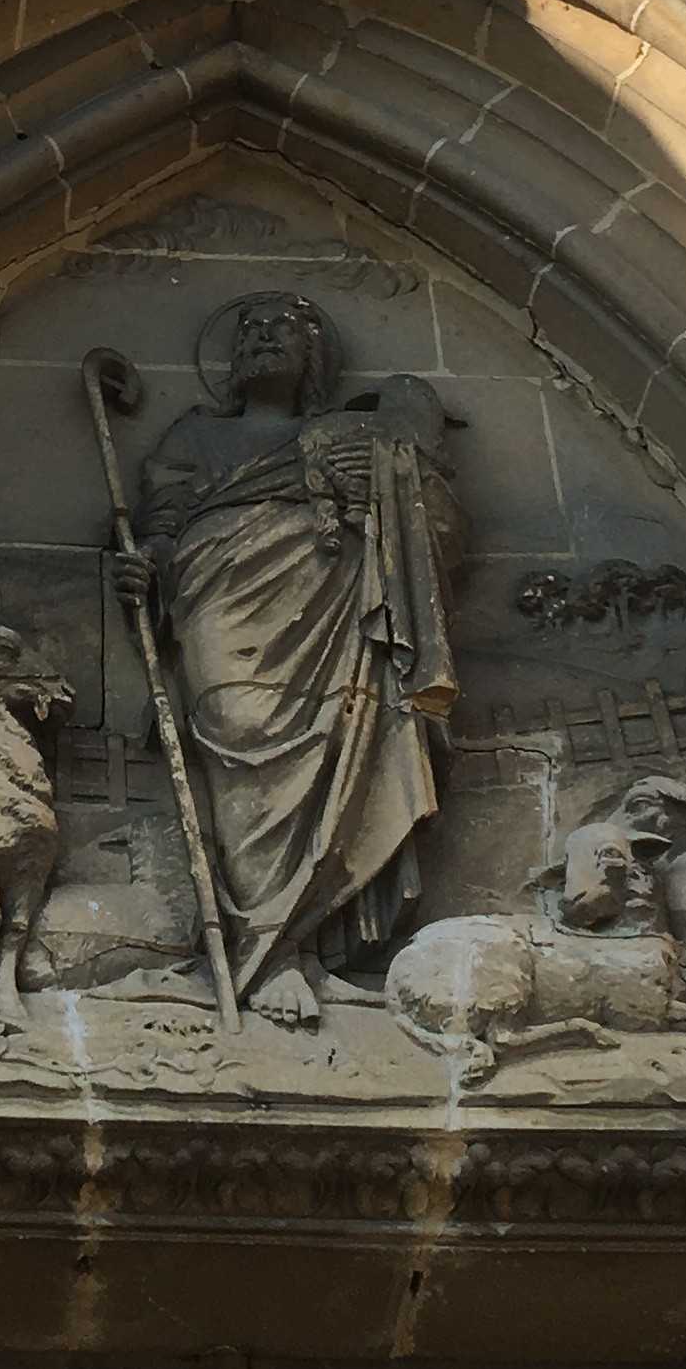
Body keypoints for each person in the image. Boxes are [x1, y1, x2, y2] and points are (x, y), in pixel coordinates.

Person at [117, 291, 464, 1015]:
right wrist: (142, 565)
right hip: (219, 592)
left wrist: (392, 473)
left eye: (284, 328)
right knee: (240, 730)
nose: (263, 337)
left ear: (314, 352)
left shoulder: (352, 436)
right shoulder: (194, 436)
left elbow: (431, 520)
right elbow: (159, 526)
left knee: (342, 746)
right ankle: (263, 947)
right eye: (250, 328)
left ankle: (291, 951)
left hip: (333, 603)